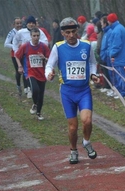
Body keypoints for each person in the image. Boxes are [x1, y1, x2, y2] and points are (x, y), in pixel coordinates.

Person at [45, 17, 100, 164]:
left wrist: (94, 74)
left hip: (83, 91)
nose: (70, 35)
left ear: (77, 31)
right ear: (62, 33)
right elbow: (49, 65)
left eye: (73, 32)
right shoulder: (58, 47)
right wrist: (49, 74)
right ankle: (73, 150)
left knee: (87, 121)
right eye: (67, 32)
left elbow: (93, 63)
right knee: (73, 127)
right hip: (67, 92)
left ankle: (87, 142)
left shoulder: (86, 46)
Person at [15, 27, 50, 120]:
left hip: (42, 73)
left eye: (38, 35)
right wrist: (20, 66)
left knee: (41, 94)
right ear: (30, 36)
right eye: (34, 36)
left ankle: (38, 113)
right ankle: (35, 104)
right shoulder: (25, 46)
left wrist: (44, 58)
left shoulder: (43, 47)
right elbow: (17, 56)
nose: (36, 37)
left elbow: (50, 60)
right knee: (35, 90)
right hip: (31, 72)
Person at [13, 15, 49, 99]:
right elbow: (15, 42)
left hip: (37, 55)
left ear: (35, 24)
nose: (31, 25)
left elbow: (46, 42)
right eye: (29, 23)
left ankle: (33, 88)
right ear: (26, 24)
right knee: (27, 71)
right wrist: (16, 51)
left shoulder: (39, 32)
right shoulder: (21, 32)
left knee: (36, 72)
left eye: (33, 23)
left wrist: (36, 44)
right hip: (25, 55)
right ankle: (28, 88)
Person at [106, 13, 125, 98]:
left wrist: (111, 54)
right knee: (123, 74)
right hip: (123, 57)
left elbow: (116, 45)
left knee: (120, 75)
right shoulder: (120, 28)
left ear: (110, 21)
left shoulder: (116, 30)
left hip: (120, 58)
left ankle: (124, 92)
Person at [4, 17, 25, 95]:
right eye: (17, 23)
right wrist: (15, 46)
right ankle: (19, 86)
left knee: (25, 70)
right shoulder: (11, 33)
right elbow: (6, 44)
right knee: (18, 71)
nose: (19, 25)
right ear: (14, 24)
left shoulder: (24, 31)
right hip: (14, 55)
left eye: (20, 23)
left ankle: (27, 88)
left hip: (24, 54)